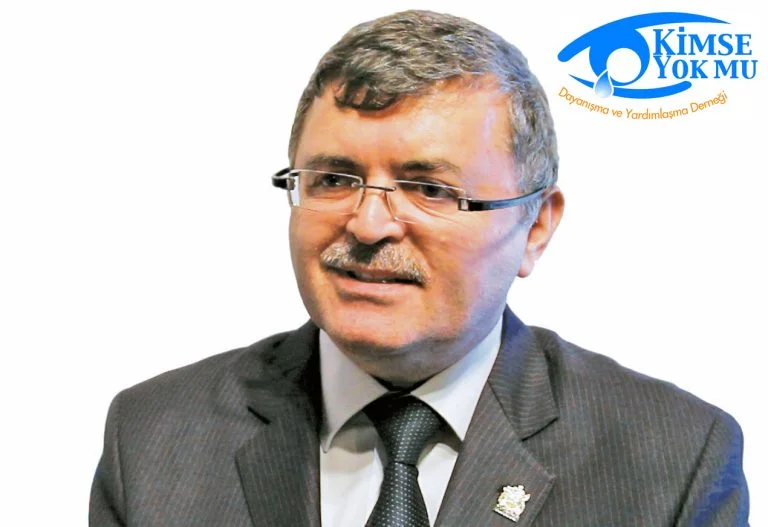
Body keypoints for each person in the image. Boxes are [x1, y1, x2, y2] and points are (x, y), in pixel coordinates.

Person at [89, 10, 749, 526]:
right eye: (333, 179)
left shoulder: (672, 460)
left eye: (429, 189)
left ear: (536, 227)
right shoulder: (154, 439)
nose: (368, 225)